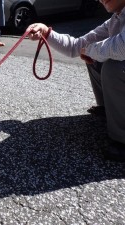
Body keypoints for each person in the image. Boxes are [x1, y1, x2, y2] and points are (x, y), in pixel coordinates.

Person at [25, 0, 125, 162]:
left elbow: (121, 47)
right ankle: (110, 110)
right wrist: (46, 32)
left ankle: (122, 138)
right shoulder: (115, 19)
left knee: (114, 67)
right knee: (95, 58)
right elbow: (77, 46)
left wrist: (90, 51)